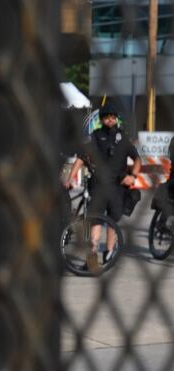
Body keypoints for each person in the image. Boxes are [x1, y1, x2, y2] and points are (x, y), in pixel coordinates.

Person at [64, 103, 141, 271]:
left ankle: (109, 252)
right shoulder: (95, 136)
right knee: (96, 221)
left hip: (118, 187)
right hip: (98, 185)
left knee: (113, 220)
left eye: (113, 117)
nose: (110, 120)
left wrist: (132, 176)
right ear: (102, 119)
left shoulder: (123, 138)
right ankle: (92, 255)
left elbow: (137, 160)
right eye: (107, 117)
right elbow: (81, 159)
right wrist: (70, 179)